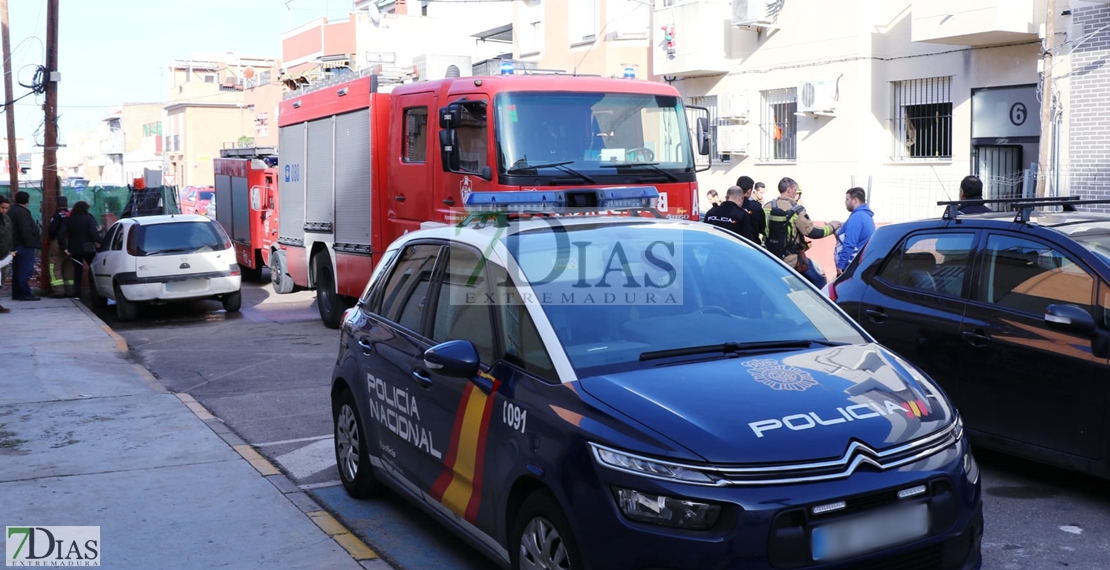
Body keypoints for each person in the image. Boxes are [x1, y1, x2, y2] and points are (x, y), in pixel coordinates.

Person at [764, 177, 840, 289]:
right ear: (789, 190)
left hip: (769, 256)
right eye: (795, 190)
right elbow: (812, 232)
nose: (796, 193)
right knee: (817, 281)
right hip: (791, 260)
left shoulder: (767, 206)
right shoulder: (797, 210)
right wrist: (832, 227)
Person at [62, 201, 101, 301]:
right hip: (88, 249)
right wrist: (103, 241)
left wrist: (64, 248)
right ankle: (94, 292)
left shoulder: (68, 220)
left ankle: (77, 294)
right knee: (93, 270)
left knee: (77, 271)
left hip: (75, 249)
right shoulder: (89, 219)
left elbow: (60, 234)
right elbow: (93, 235)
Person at [834, 187, 876, 277]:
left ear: (855, 200)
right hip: (861, 265)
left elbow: (849, 243)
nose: (845, 202)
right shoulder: (866, 216)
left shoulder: (856, 217)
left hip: (851, 267)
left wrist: (841, 265)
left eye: (847, 199)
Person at [9, 191, 42, 301]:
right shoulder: (23, 213)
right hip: (24, 245)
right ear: (27, 201)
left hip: (14, 245)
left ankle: (16, 293)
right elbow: (25, 229)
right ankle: (24, 294)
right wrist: (32, 243)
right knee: (25, 270)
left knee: (17, 270)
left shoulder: (11, 211)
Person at [47, 195, 74, 298]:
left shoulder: (57, 215)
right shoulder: (70, 214)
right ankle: (70, 290)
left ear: (56, 204)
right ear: (67, 204)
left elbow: (52, 229)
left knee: (54, 266)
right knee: (69, 266)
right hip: (71, 243)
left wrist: (51, 238)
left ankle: (58, 291)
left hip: (57, 242)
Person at [736, 176, 767, 244]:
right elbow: (763, 228)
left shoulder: (729, 206)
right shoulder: (756, 207)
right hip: (751, 245)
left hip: (731, 244)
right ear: (749, 191)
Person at [0, 195, 12, 313]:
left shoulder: (7, 219)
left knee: (2, 279)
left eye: (6, 208)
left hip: (4, 254)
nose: (4, 210)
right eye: (2, 208)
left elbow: (9, 235)